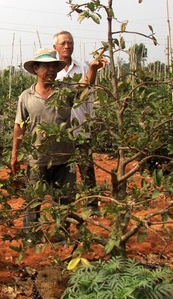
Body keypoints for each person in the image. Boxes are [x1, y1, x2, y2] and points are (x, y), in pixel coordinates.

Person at [10, 48, 75, 232]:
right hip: (37, 159)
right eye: (47, 66)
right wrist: (14, 154)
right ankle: (30, 235)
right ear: (36, 69)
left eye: (54, 66)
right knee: (33, 201)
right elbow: (19, 126)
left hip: (64, 158)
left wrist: (93, 69)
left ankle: (63, 236)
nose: (52, 70)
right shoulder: (26, 96)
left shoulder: (66, 92)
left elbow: (87, 88)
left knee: (65, 201)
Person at [53, 30, 105, 211]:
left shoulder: (83, 68)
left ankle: (92, 206)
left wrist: (93, 69)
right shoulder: (52, 73)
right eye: (63, 43)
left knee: (86, 168)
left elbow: (87, 86)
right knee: (64, 170)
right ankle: (67, 205)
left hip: (82, 127)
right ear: (55, 48)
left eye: (70, 43)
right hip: (60, 132)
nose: (67, 46)